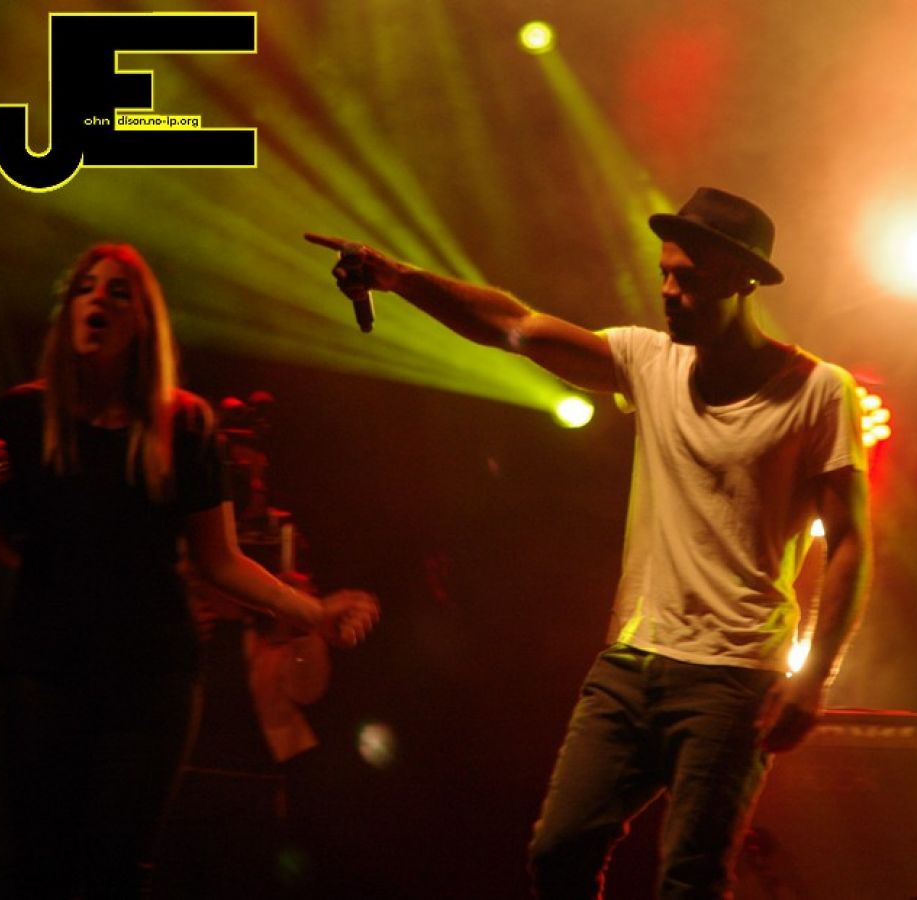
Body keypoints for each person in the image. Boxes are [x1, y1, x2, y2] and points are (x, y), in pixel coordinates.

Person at [305, 186, 872, 897]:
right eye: (664, 273)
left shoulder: (820, 390)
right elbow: (514, 324)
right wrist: (399, 279)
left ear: (742, 280)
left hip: (733, 678)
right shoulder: (650, 360)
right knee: (558, 850)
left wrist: (814, 677)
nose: (667, 291)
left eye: (687, 278)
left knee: (689, 880)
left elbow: (851, 543)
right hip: (630, 665)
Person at [0, 243, 379, 899]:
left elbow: (219, 559)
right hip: (44, 670)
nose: (97, 299)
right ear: (67, 312)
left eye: (118, 291)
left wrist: (315, 613)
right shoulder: (23, 415)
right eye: (85, 288)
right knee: (39, 865)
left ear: (143, 321)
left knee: (115, 868)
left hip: (150, 680)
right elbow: (11, 548)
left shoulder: (186, 423)